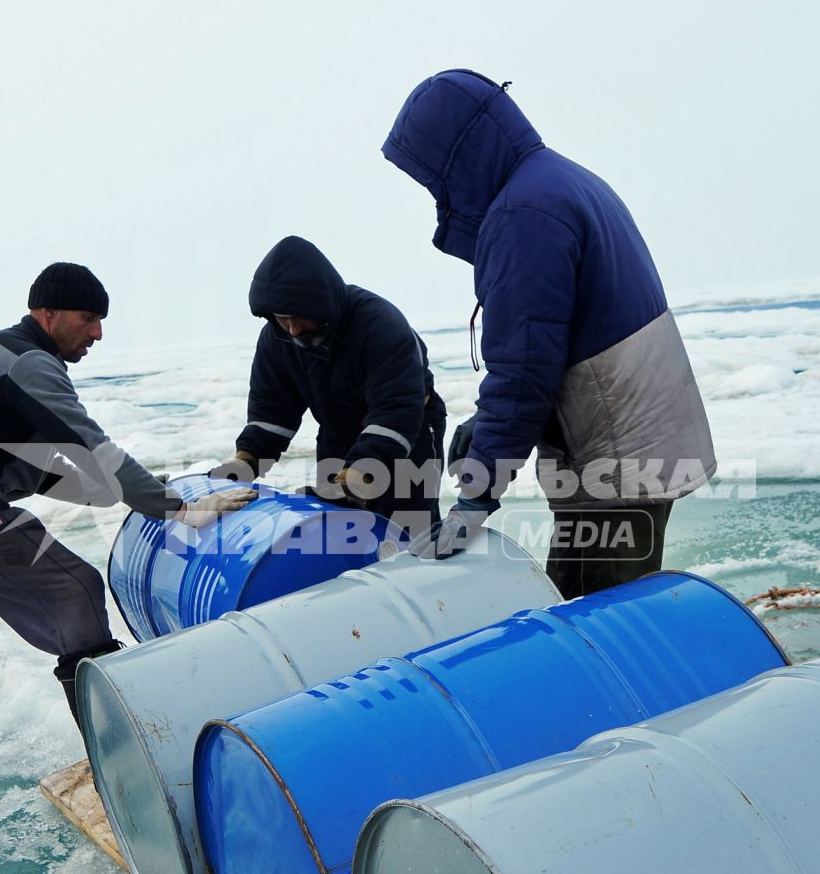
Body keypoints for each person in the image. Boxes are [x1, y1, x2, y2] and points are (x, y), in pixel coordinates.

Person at [0, 261, 254, 826]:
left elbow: (33, 460)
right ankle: (129, 783)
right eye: (89, 319)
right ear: (48, 313)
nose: (98, 333)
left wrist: (138, 490)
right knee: (74, 592)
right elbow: (88, 443)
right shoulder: (30, 363)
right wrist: (176, 509)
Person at [381, 69, 715, 598]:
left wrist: (477, 498)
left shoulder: (524, 214)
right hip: (630, 440)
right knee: (597, 603)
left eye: (432, 177)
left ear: (459, 157)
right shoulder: (557, 181)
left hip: (616, 460)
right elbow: (556, 345)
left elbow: (523, 371)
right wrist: (486, 424)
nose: (435, 193)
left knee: (593, 619)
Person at [213, 235, 447, 541]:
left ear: (321, 304)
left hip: (407, 434)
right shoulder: (277, 339)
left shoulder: (381, 326)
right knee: (339, 530)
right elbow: (272, 413)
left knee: (407, 531)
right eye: (283, 319)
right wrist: (246, 462)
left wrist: (356, 480)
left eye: (298, 317)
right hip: (338, 434)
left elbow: (396, 413)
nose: (293, 330)